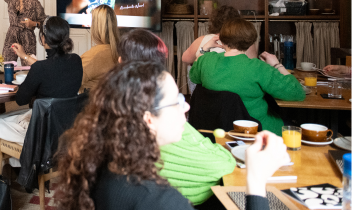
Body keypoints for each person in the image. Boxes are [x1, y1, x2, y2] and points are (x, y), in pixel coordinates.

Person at [57, 61, 291, 210]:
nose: (186, 106)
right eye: (177, 101)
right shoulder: (157, 198)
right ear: (149, 119)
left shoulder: (101, 165)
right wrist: (256, 181)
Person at [118, 28, 235, 206]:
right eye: (176, 101)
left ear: (120, 61)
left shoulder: (112, 112)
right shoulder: (170, 124)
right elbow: (224, 165)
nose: (186, 107)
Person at [0, 16, 83, 171]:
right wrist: (25, 57)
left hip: (42, 137)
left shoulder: (39, 69)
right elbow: (54, 73)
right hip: (67, 132)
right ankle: (22, 169)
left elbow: (21, 99)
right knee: (4, 119)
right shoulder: (76, 61)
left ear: (43, 39)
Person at [190, 18, 305, 136]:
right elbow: (297, 93)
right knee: (292, 123)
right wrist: (277, 65)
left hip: (216, 130)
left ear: (222, 40)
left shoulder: (206, 60)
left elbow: (193, 77)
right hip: (254, 132)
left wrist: (204, 49)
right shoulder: (259, 67)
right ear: (251, 43)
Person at [182, 5, 257, 65]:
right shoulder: (246, 42)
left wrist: (202, 51)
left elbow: (185, 59)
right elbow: (252, 66)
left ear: (214, 22)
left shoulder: (201, 40)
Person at [79, 5, 120, 92]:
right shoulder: (123, 52)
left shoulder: (93, 56)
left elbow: (70, 83)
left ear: (96, 26)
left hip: (92, 100)